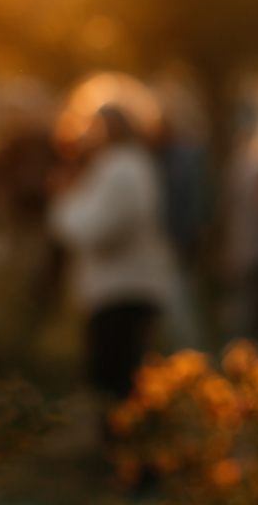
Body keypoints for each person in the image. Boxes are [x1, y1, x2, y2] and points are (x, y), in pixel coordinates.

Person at [49, 105, 181, 400]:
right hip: (125, 288)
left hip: (120, 290)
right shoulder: (132, 165)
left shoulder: (120, 168)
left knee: (115, 385)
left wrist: (63, 203)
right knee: (122, 380)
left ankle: (121, 444)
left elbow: (95, 230)